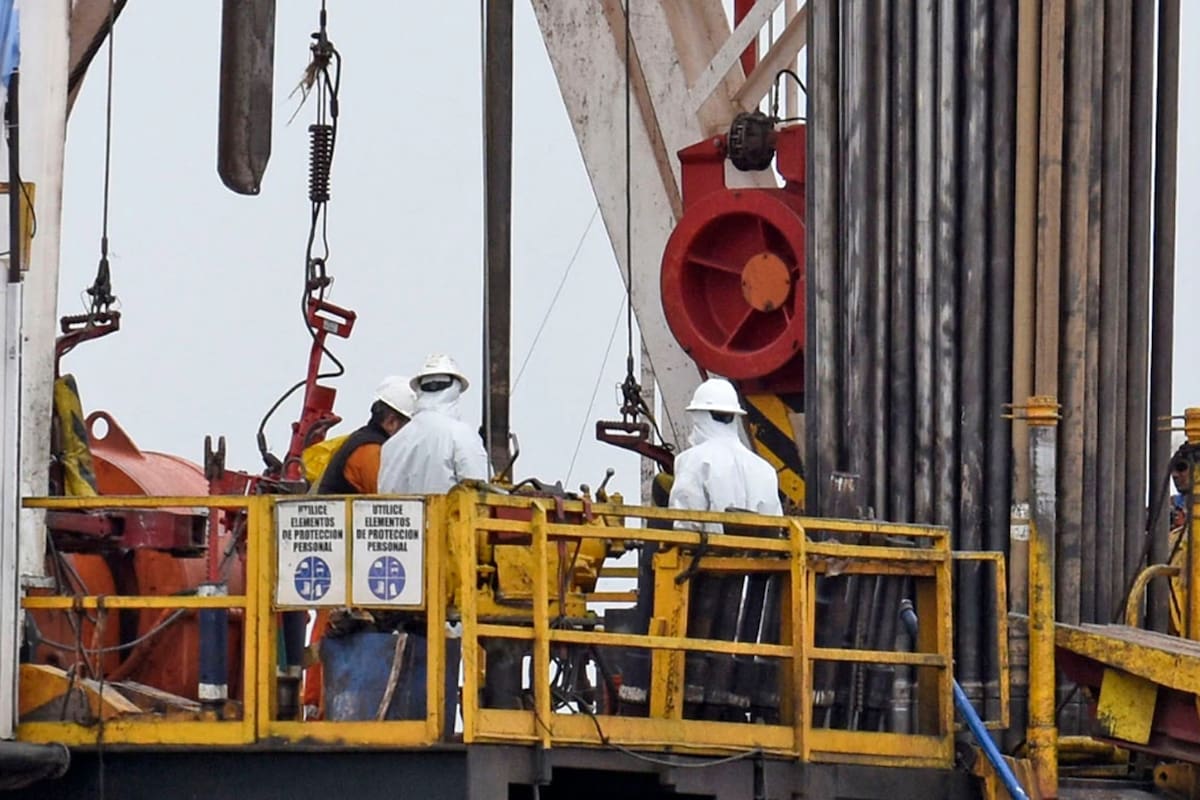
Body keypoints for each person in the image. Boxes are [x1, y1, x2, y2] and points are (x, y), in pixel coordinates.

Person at [668, 378, 782, 530]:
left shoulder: (693, 461)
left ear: (699, 415)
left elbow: (686, 524)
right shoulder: (764, 469)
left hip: (705, 552)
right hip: (758, 553)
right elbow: (775, 526)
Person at [378, 354, 489, 494]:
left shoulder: (391, 445)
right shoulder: (460, 434)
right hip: (449, 515)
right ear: (456, 389)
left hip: (406, 515)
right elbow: (480, 491)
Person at [317, 375, 417, 494]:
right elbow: (386, 499)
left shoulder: (365, 441)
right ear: (391, 422)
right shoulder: (369, 450)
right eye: (410, 425)